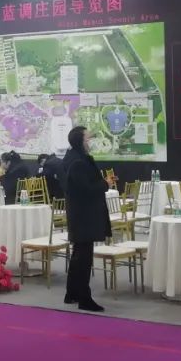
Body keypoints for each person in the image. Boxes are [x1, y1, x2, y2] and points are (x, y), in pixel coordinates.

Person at [61, 126, 113, 312]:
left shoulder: (72, 158)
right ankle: (84, 298)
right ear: (80, 141)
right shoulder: (78, 162)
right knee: (84, 259)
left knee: (78, 255)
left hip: (79, 214)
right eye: (87, 139)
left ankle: (72, 293)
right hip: (84, 215)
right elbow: (86, 189)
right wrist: (105, 184)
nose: (90, 142)